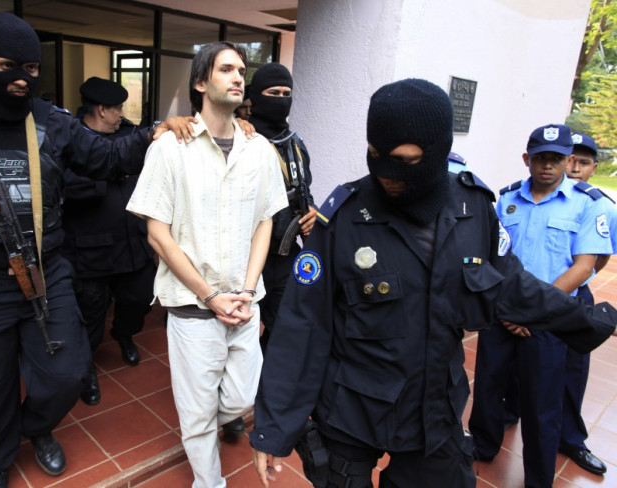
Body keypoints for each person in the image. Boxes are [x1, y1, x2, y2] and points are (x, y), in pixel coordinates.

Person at [248, 79, 617, 488]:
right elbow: (302, 324)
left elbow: (510, 285)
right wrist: (273, 428)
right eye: (376, 156)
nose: (387, 174)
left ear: (438, 153)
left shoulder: (473, 209)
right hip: (351, 409)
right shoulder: (344, 219)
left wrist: (584, 322)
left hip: (433, 407)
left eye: (405, 161)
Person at [0, 12, 192, 488]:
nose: (21, 80)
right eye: (7, 65)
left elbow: (105, 157)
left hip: (48, 271)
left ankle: (34, 429)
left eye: (30, 69)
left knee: (66, 374)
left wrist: (156, 133)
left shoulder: (50, 120)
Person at [126, 41, 287, 488]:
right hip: (193, 308)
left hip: (242, 303)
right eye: (226, 69)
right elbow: (158, 234)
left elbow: (265, 223)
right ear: (201, 82)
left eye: (242, 69)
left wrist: (248, 291)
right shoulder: (169, 148)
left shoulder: (259, 150)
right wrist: (211, 296)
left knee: (240, 397)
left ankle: (198, 417)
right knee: (198, 417)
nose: (238, 77)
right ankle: (208, 481)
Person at [469, 124, 613, 487]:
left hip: (548, 318)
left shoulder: (588, 202)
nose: (547, 165)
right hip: (503, 313)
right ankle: (483, 446)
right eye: (539, 158)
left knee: (541, 404)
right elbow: (495, 255)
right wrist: (508, 309)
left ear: (567, 160)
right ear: (526, 160)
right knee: (488, 386)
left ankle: (537, 477)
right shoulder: (507, 199)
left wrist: (535, 311)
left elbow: (584, 266)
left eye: (555, 159)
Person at [61, 77, 194, 406]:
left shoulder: (129, 137)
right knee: (89, 315)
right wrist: (106, 177)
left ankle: (124, 333)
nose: (122, 113)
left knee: (139, 298)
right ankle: (86, 367)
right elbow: (61, 186)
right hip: (91, 250)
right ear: (102, 109)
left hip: (132, 244)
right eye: (117, 108)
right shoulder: (68, 139)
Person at [247, 63, 317, 354]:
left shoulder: (295, 143)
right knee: (243, 328)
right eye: (273, 92)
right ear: (255, 97)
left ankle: (269, 381)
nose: (281, 98)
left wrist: (311, 212)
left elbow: (303, 189)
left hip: (286, 254)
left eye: (286, 92)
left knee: (286, 326)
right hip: (248, 259)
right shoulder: (243, 141)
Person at [557, 131, 615, 475]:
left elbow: (600, 259)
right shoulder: (532, 193)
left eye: (583, 162)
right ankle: (507, 415)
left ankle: (570, 438)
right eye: (571, 160)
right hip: (531, 295)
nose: (575, 168)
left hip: (574, 298)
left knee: (571, 371)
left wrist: (577, 283)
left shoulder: (602, 206)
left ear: (594, 168)